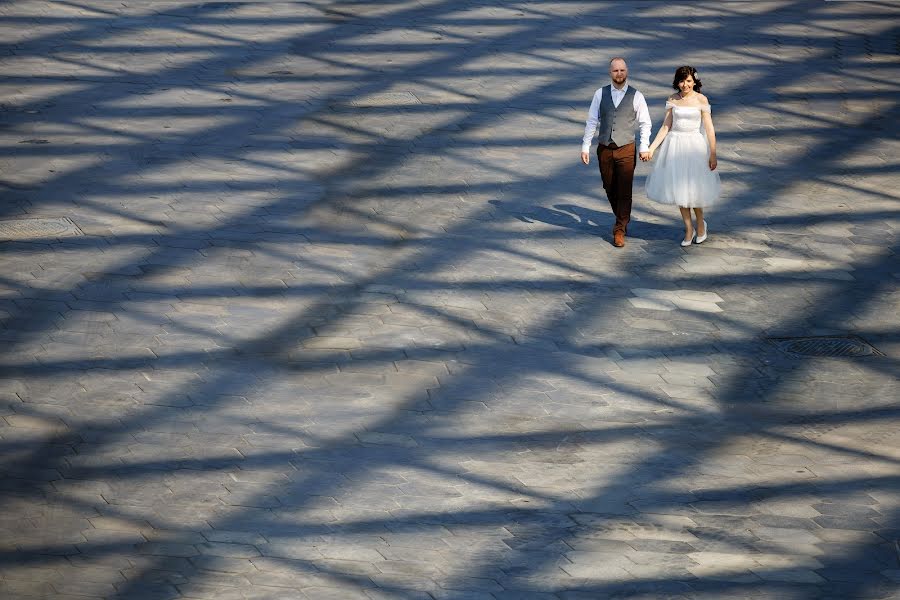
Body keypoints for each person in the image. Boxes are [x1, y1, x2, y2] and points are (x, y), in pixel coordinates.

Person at [581, 57, 652, 248]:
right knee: (608, 186)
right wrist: (585, 146)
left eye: (622, 70)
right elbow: (592, 121)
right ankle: (622, 217)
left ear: (627, 71)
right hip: (604, 147)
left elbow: (645, 123)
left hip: (626, 148)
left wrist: (644, 146)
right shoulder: (600, 93)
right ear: (609, 72)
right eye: (615, 71)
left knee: (625, 189)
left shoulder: (637, 96)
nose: (619, 73)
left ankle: (620, 228)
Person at [645, 66, 720, 246]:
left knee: (694, 189)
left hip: (694, 146)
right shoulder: (673, 100)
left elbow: (709, 128)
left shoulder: (701, 99)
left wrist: (713, 152)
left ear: (694, 81)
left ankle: (701, 224)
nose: (685, 85)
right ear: (677, 82)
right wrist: (652, 148)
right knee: (679, 190)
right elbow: (666, 126)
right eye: (681, 81)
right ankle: (688, 228)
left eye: (688, 81)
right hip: (675, 145)